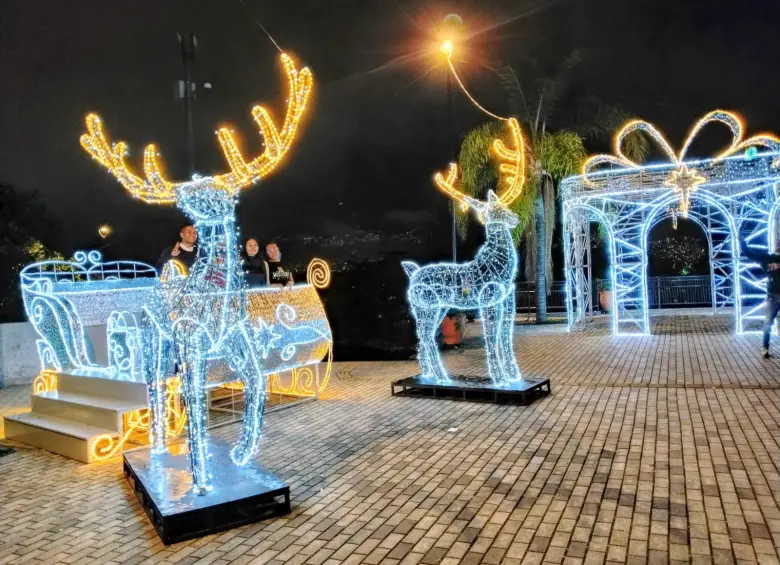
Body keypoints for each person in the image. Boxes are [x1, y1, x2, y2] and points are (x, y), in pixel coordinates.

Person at [740, 235, 780, 358]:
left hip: (772, 295)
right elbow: (750, 255)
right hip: (772, 296)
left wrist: (742, 241)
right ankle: (764, 348)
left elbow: (749, 254)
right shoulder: (766, 258)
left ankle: (764, 348)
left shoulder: (766, 258)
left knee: (768, 323)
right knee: (768, 323)